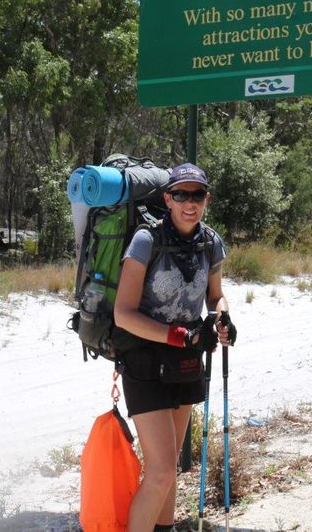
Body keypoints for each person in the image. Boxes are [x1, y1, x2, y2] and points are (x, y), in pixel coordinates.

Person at [113, 162, 235, 532]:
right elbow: (123, 313)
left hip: (184, 359)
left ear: (206, 199)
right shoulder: (146, 240)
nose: (189, 202)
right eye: (181, 194)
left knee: (172, 471)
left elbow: (216, 297)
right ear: (167, 198)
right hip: (143, 360)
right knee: (162, 469)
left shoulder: (210, 241)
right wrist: (177, 336)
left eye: (197, 194)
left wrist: (222, 318)